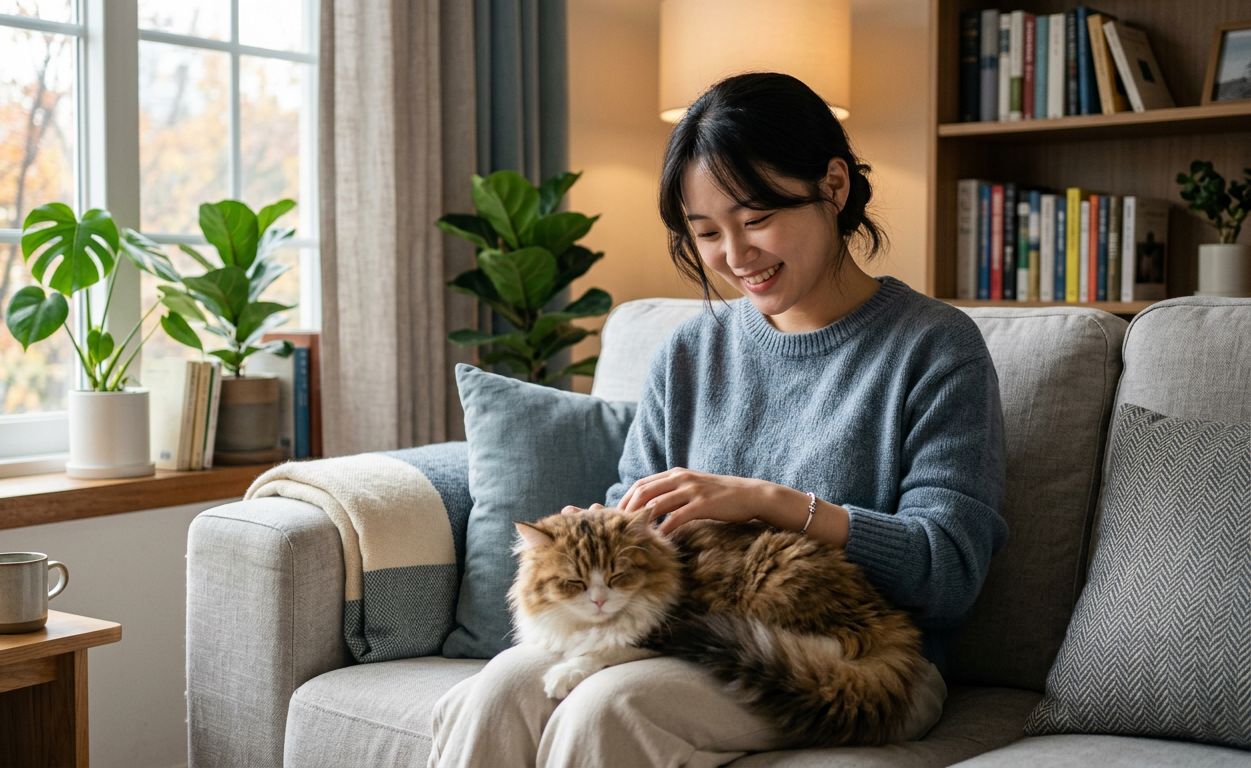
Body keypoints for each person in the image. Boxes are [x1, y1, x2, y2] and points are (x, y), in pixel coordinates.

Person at [430, 72, 1008, 768]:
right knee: (496, 690)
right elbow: (634, 514)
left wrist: (771, 502)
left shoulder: (936, 346)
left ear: (833, 186)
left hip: (863, 660)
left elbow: (949, 575)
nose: (735, 257)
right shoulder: (689, 350)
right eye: (706, 233)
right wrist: (606, 526)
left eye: (756, 220)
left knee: (608, 708)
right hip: (678, 627)